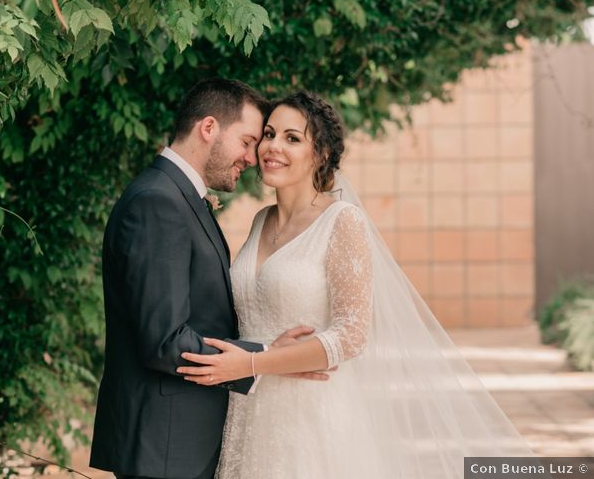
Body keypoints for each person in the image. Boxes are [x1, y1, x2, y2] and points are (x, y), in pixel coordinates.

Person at [178, 91, 535, 478]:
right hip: (248, 410)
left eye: (292, 138)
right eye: (268, 134)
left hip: (311, 413)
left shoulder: (342, 222)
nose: (272, 146)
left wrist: (251, 362)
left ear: (322, 155)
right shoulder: (260, 221)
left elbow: (351, 334)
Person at [89, 79, 329, 479]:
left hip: (179, 441)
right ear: (209, 128)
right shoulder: (157, 203)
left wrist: (265, 354)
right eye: (249, 140)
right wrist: (262, 359)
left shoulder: (180, 198)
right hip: (164, 444)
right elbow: (164, 341)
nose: (253, 157)